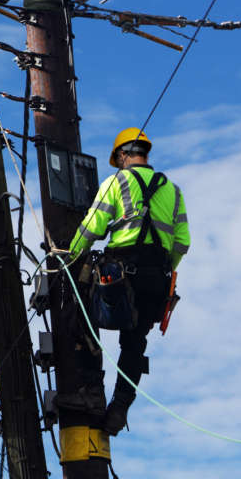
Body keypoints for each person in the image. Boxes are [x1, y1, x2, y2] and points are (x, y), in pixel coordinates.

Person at [66, 127, 190, 435]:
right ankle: (119, 407)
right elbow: (183, 242)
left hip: (120, 275)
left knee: (80, 311)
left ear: (122, 155)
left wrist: (69, 257)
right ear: (144, 153)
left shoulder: (116, 182)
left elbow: (92, 226)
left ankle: (92, 391)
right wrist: (164, 268)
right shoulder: (173, 190)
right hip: (158, 280)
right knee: (134, 343)